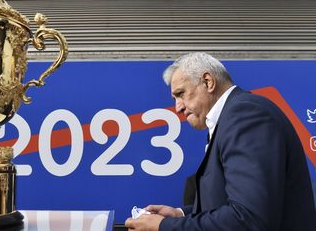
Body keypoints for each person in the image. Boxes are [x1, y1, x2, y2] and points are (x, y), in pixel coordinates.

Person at [125, 52, 316, 231]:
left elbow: (248, 217)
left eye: (180, 94)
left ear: (208, 82)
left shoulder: (244, 116)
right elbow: (228, 202)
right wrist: (179, 214)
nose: (178, 108)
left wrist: (165, 226)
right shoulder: (231, 117)